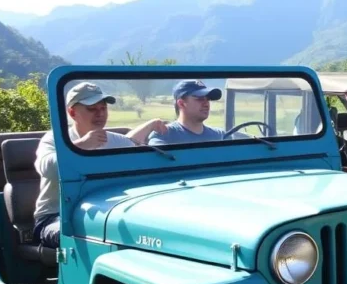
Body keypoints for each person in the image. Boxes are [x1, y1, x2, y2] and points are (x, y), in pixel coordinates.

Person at [33, 82, 167, 249]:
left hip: (105, 210)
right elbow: (46, 168)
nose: (100, 114)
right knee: (87, 233)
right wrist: (80, 146)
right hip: (57, 217)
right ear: (72, 112)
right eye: (92, 109)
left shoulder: (112, 139)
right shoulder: (55, 139)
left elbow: (137, 151)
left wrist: (153, 126)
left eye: (103, 108)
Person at [148, 80, 230, 145]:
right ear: (181, 103)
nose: (206, 104)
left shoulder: (220, 136)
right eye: (200, 98)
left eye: (208, 99)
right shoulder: (164, 134)